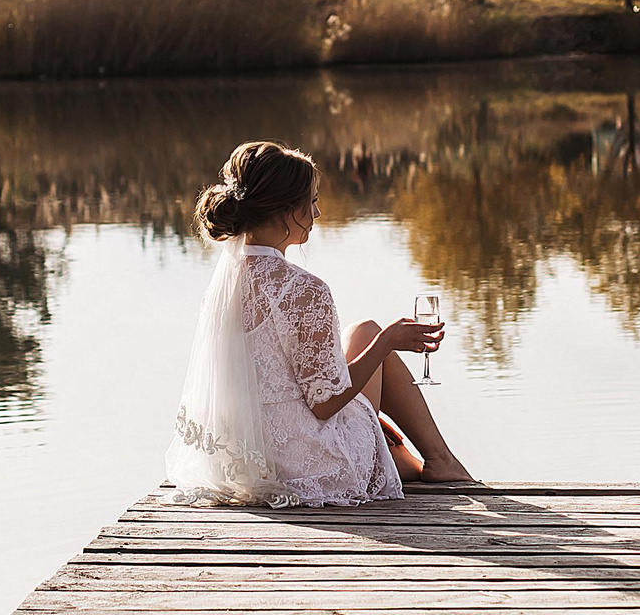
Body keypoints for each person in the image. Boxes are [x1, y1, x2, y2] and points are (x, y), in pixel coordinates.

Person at [166, 141, 472, 506]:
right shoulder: (302, 289)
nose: (318, 212)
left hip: (244, 458)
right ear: (285, 211)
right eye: (311, 202)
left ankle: (418, 459)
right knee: (373, 336)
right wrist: (388, 342)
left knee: (360, 332)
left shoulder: (223, 288)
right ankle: (440, 460)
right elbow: (326, 403)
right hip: (306, 465)